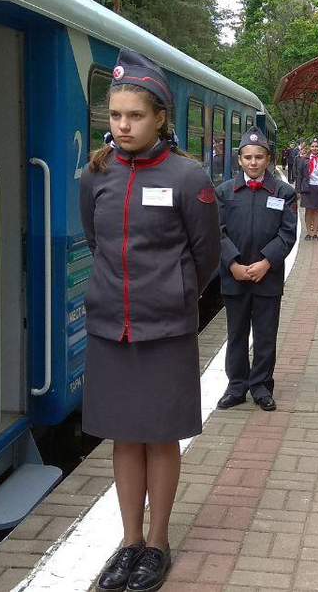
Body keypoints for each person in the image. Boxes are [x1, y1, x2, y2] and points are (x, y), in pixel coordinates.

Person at [80, 50, 221, 592]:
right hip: (110, 326)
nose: (122, 125)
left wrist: (174, 292)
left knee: (160, 437)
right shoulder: (95, 176)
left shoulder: (188, 177)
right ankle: (128, 542)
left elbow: (205, 254)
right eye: (115, 116)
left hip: (165, 329)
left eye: (134, 116)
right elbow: (97, 243)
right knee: (123, 437)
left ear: (160, 116)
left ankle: (158, 544)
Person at [216, 127, 297, 413]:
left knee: (265, 334)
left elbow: (288, 233)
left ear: (268, 159)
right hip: (234, 277)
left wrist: (266, 262)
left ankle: (261, 386)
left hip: (268, 277)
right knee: (236, 333)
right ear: (239, 160)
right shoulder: (225, 192)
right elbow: (217, 231)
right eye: (247, 157)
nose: (253, 162)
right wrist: (232, 264)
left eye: (259, 157)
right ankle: (236, 385)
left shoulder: (283, 192)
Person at [295, 139, 318, 241]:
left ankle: (315, 233)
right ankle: (309, 232)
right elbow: (299, 175)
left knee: (317, 211)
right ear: (310, 148)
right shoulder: (304, 159)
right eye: (312, 146)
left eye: (316, 146)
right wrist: (298, 190)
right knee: (308, 211)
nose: (314, 148)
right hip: (307, 188)